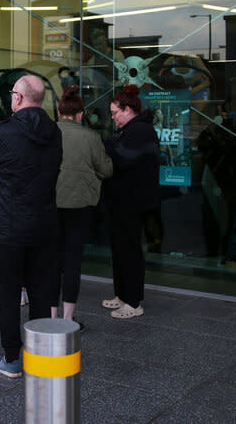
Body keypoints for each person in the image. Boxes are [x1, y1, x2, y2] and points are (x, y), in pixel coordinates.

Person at [0, 75, 62, 378]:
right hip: (43, 225)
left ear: (19, 99)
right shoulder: (55, 132)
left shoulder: (5, 131)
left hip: (7, 226)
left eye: (13, 93)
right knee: (41, 294)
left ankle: (12, 358)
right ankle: (39, 357)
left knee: (8, 295)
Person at [50, 86, 113, 327]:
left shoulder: (47, 133)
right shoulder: (91, 137)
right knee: (72, 262)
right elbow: (106, 170)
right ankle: (68, 318)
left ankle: (52, 316)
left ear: (59, 111)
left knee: (52, 261)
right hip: (80, 206)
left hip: (51, 204)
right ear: (81, 113)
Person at [102, 84, 160, 319]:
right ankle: (122, 294)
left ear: (127, 109)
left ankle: (134, 301)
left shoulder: (141, 131)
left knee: (129, 250)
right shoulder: (130, 131)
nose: (113, 117)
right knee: (120, 249)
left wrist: (105, 147)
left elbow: (122, 158)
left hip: (132, 202)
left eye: (115, 112)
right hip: (121, 201)